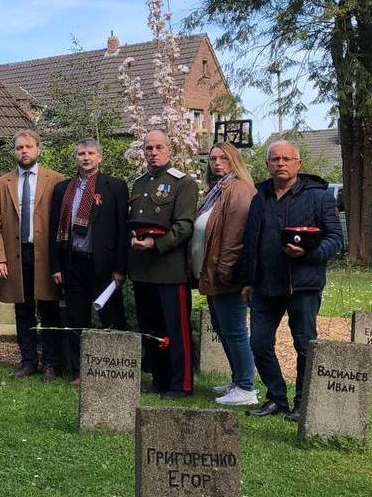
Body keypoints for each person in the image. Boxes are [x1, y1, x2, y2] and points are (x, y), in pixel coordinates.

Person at [241, 140, 343, 421]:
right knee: (259, 342)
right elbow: (251, 241)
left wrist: (310, 253)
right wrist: (247, 280)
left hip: (303, 284)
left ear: (299, 163)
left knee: (304, 345)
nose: (281, 164)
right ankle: (276, 398)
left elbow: (336, 239)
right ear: (267, 165)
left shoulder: (319, 196)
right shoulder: (260, 196)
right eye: (275, 159)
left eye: (287, 159)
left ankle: (302, 403)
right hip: (264, 284)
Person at [48, 138, 129, 382]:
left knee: (110, 316)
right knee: (76, 318)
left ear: (100, 157)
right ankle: (79, 371)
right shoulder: (63, 189)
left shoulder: (115, 187)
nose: (86, 158)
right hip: (73, 262)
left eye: (91, 153)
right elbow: (54, 229)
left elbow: (122, 229)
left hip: (104, 263)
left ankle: (115, 368)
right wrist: (56, 266)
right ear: (75, 157)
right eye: (81, 154)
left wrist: (120, 268)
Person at [0, 130, 65, 380]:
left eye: (28, 147)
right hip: (16, 255)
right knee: (23, 309)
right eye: (19, 147)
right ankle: (28, 361)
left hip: (46, 255)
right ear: (14, 151)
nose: (24, 151)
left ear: (38, 149)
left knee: (50, 308)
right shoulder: (3, 183)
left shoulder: (56, 180)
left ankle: (51, 363)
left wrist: (61, 260)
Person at [128, 129, 199, 398]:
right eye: (149, 148)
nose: (153, 153)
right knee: (152, 330)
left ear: (169, 150)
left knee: (176, 330)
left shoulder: (183, 182)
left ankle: (181, 384)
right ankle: (159, 378)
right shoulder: (139, 183)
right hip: (143, 270)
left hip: (169, 270)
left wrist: (156, 245)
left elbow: (184, 226)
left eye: (159, 148)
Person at [192, 142, 258, 407]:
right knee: (224, 328)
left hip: (227, 274)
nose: (217, 163)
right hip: (213, 271)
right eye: (213, 159)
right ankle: (238, 379)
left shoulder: (238, 189)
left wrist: (224, 270)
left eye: (224, 158)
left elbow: (235, 236)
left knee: (235, 330)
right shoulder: (219, 189)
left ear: (235, 161)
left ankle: (246, 387)